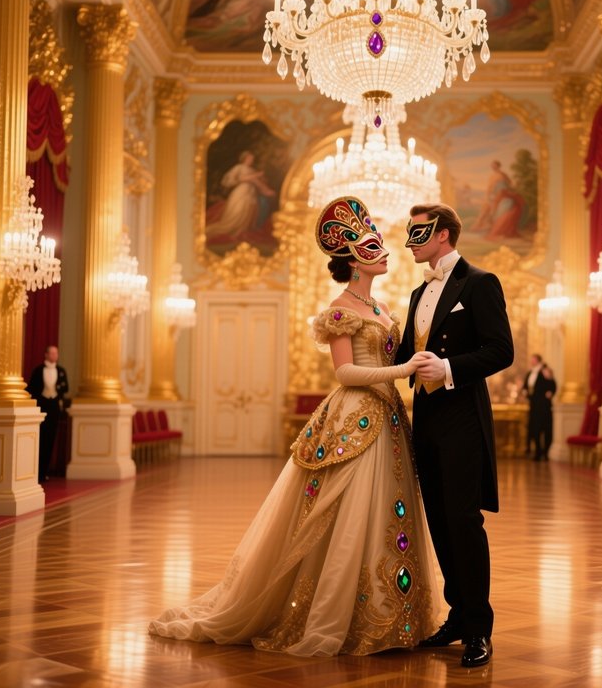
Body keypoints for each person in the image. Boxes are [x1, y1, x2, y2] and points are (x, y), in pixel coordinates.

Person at [150, 196, 439, 655]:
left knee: (386, 511)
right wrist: (400, 373)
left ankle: (388, 614)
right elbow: (344, 373)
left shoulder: (383, 308)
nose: (385, 251)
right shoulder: (340, 310)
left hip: (388, 420)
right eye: (373, 244)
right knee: (343, 514)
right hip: (354, 418)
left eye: (381, 242)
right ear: (353, 258)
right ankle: (334, 615)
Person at [396, 203, 514, 668]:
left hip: (463, 414)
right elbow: (406, 351)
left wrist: (448, 367)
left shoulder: (480, 283)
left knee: (464, 521)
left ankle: (479, 629)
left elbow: (501, 350)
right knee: (440, 522)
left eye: (418, 233)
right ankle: (458, 616)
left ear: (443, 234)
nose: (411, 241)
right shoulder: (414, 294)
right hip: (426, 417)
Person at [205, 151, 276, 245]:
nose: (251, 160)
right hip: (241, 192)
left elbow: (257, 183)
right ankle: (231, 229)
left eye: (252, 158)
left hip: (251, 194)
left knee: (246, 212)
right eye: (250, 158)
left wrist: (265, 190)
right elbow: (236, 179)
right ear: (245, 158)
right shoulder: (239, 167)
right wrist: (256, 176)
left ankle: (239, 232)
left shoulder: (252, 170)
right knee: (238, 210)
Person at [26, 345, 70, 483]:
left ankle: (44, 471)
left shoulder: (61, 371)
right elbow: (31, 388)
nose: (54, 355)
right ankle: (35, 472)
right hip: (41, 407)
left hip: (54, 408)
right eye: (51, 353)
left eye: (56, 353)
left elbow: (65, 387)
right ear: (46, 355)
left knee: (50, 440)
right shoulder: (38, 371)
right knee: (39, 439)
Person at [521, 354, 557, 461]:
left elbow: (553, 384)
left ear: (538, 360)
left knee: (546, 430)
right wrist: (525, 392)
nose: (531, 361)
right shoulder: (530, 373)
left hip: (544, 406)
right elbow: (525, 386)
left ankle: (545, 453)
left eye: (533, 359)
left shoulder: (545, 370)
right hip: (534, 406)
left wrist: (551, 392)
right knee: (534, 429)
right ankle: (537, 452)